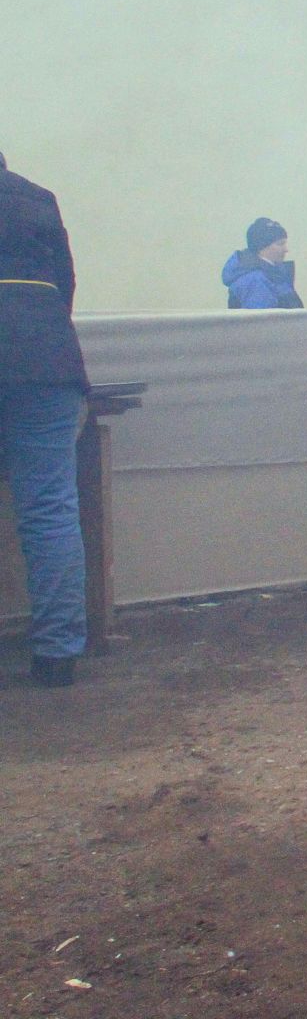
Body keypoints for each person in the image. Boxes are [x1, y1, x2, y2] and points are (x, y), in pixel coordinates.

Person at [0, 151, 90, 687]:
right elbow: (66, 288)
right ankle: (57, 655)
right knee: (50, 509)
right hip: (46, 361)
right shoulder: (38, 199)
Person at [222, 218, 303, 309]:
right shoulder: (254, 280)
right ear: (262, 247)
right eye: (280, 244)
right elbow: (262, 321)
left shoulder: (273, 276)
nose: (286, 249)